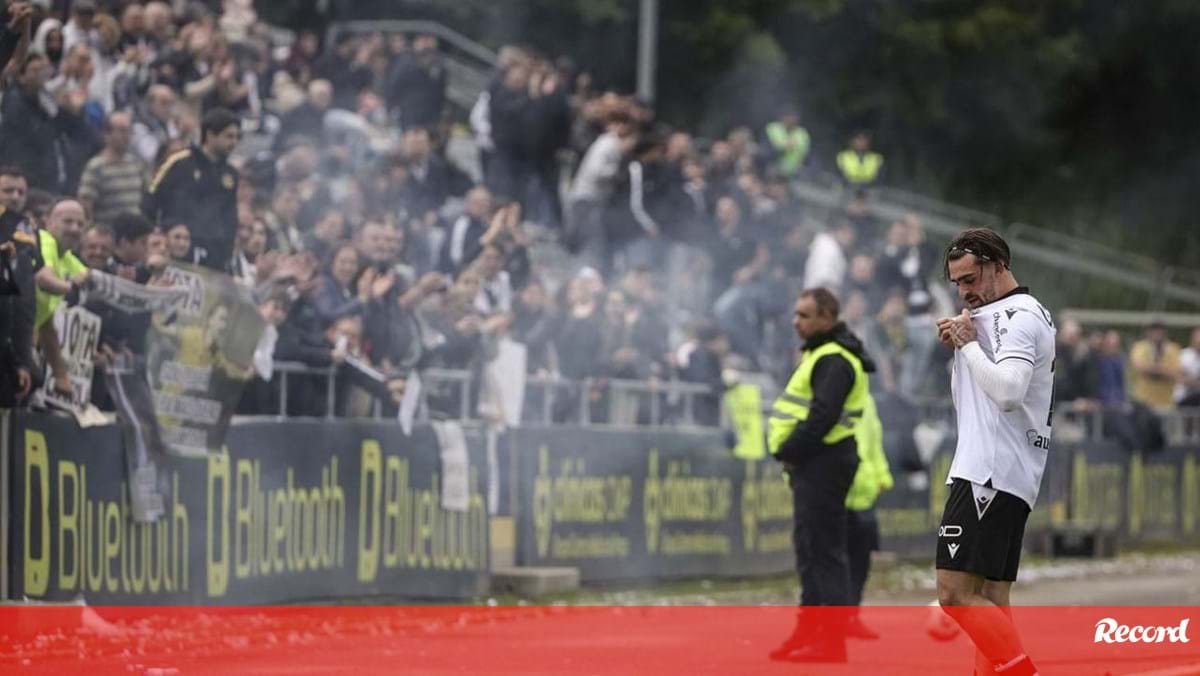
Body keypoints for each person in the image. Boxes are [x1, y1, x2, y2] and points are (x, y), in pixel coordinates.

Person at [934, 228, 1054, 676]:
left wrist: (967, 346)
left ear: (998, 266)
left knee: (953, 593)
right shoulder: (1003, 315)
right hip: (1007, 472)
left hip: (989, 473)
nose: (965, 292)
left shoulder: (1018, 315)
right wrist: (965, 346)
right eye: (957, 284)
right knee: (989, 600)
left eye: (970, 279)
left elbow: (1008, 392)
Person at [767, 287, 874, 663]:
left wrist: (788, 450)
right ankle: (810, 631)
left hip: (822, 462)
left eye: (805, 315)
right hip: (817, 462)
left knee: (825, 554)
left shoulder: (833, 359)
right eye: (796, 314)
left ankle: (830, 642)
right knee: (810, 551)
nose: (797, 321)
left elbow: (822, 417)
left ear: (827, 318)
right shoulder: (823, 354)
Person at [144, 108, 240, 271]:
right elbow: (150, 201)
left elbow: (230, 217)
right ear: (210, 135)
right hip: (179, 251)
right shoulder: (179, 164)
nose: (234, 143)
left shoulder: (231, 174)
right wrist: (162, 235)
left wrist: (228, 251)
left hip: (214, 257)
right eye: (229, 136)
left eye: (237, 137)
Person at [844, 390, 893, 640]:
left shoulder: (866, 398)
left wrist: (882, 475)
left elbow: (874, 439)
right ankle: (832, 618)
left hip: (864, 492)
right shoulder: (831, 389)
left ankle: (851, 615)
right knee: (834, 560)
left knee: (860, 559)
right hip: (836, 490)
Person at [77, 111, 147, 228]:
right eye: (121, 131)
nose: (126, 136)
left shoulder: (136, 164)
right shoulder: (96, 167)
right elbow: (86, 206)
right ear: (107, 134)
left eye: (128, 131)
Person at [1128, 320, 1182, 412]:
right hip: (1143, 402)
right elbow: (1139, 368)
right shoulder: (1140, 347)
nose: (1157, 334)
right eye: (1154, 331)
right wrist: (1163, 370)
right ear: (1148, 332)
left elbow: (1175, 373)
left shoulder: (1173, 348)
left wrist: (1152, 370)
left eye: (1159, 331)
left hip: (1166, 403)